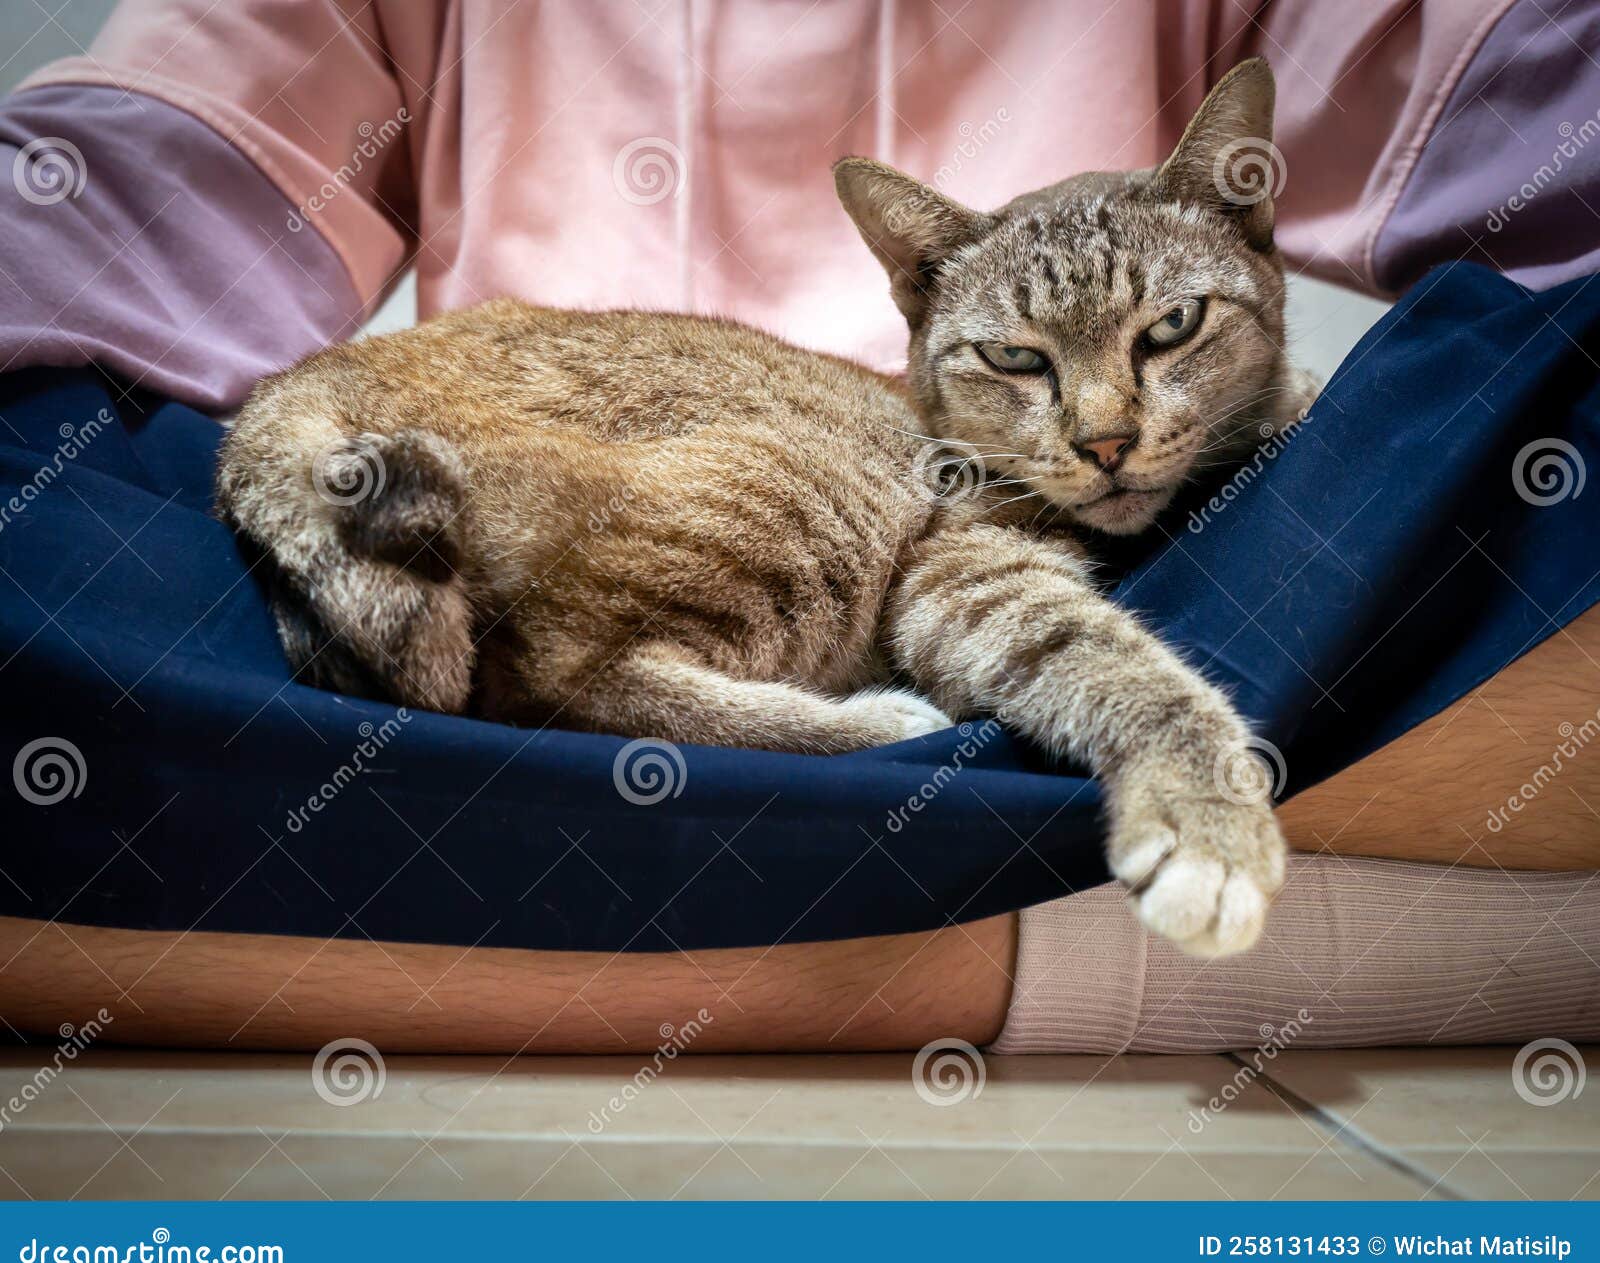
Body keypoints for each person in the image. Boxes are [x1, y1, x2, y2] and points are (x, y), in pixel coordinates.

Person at [1, 0, 1597, 1054]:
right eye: (1037, 368)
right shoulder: (896, 434)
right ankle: (1313, 938)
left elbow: (1517, 90)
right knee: (57, 544)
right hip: (582, 496)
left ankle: (703, 885)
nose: (1107, 425)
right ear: (922, 310)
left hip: (487, 704)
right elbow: (132, 166)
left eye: (1164, 344)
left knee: (1500, 414)